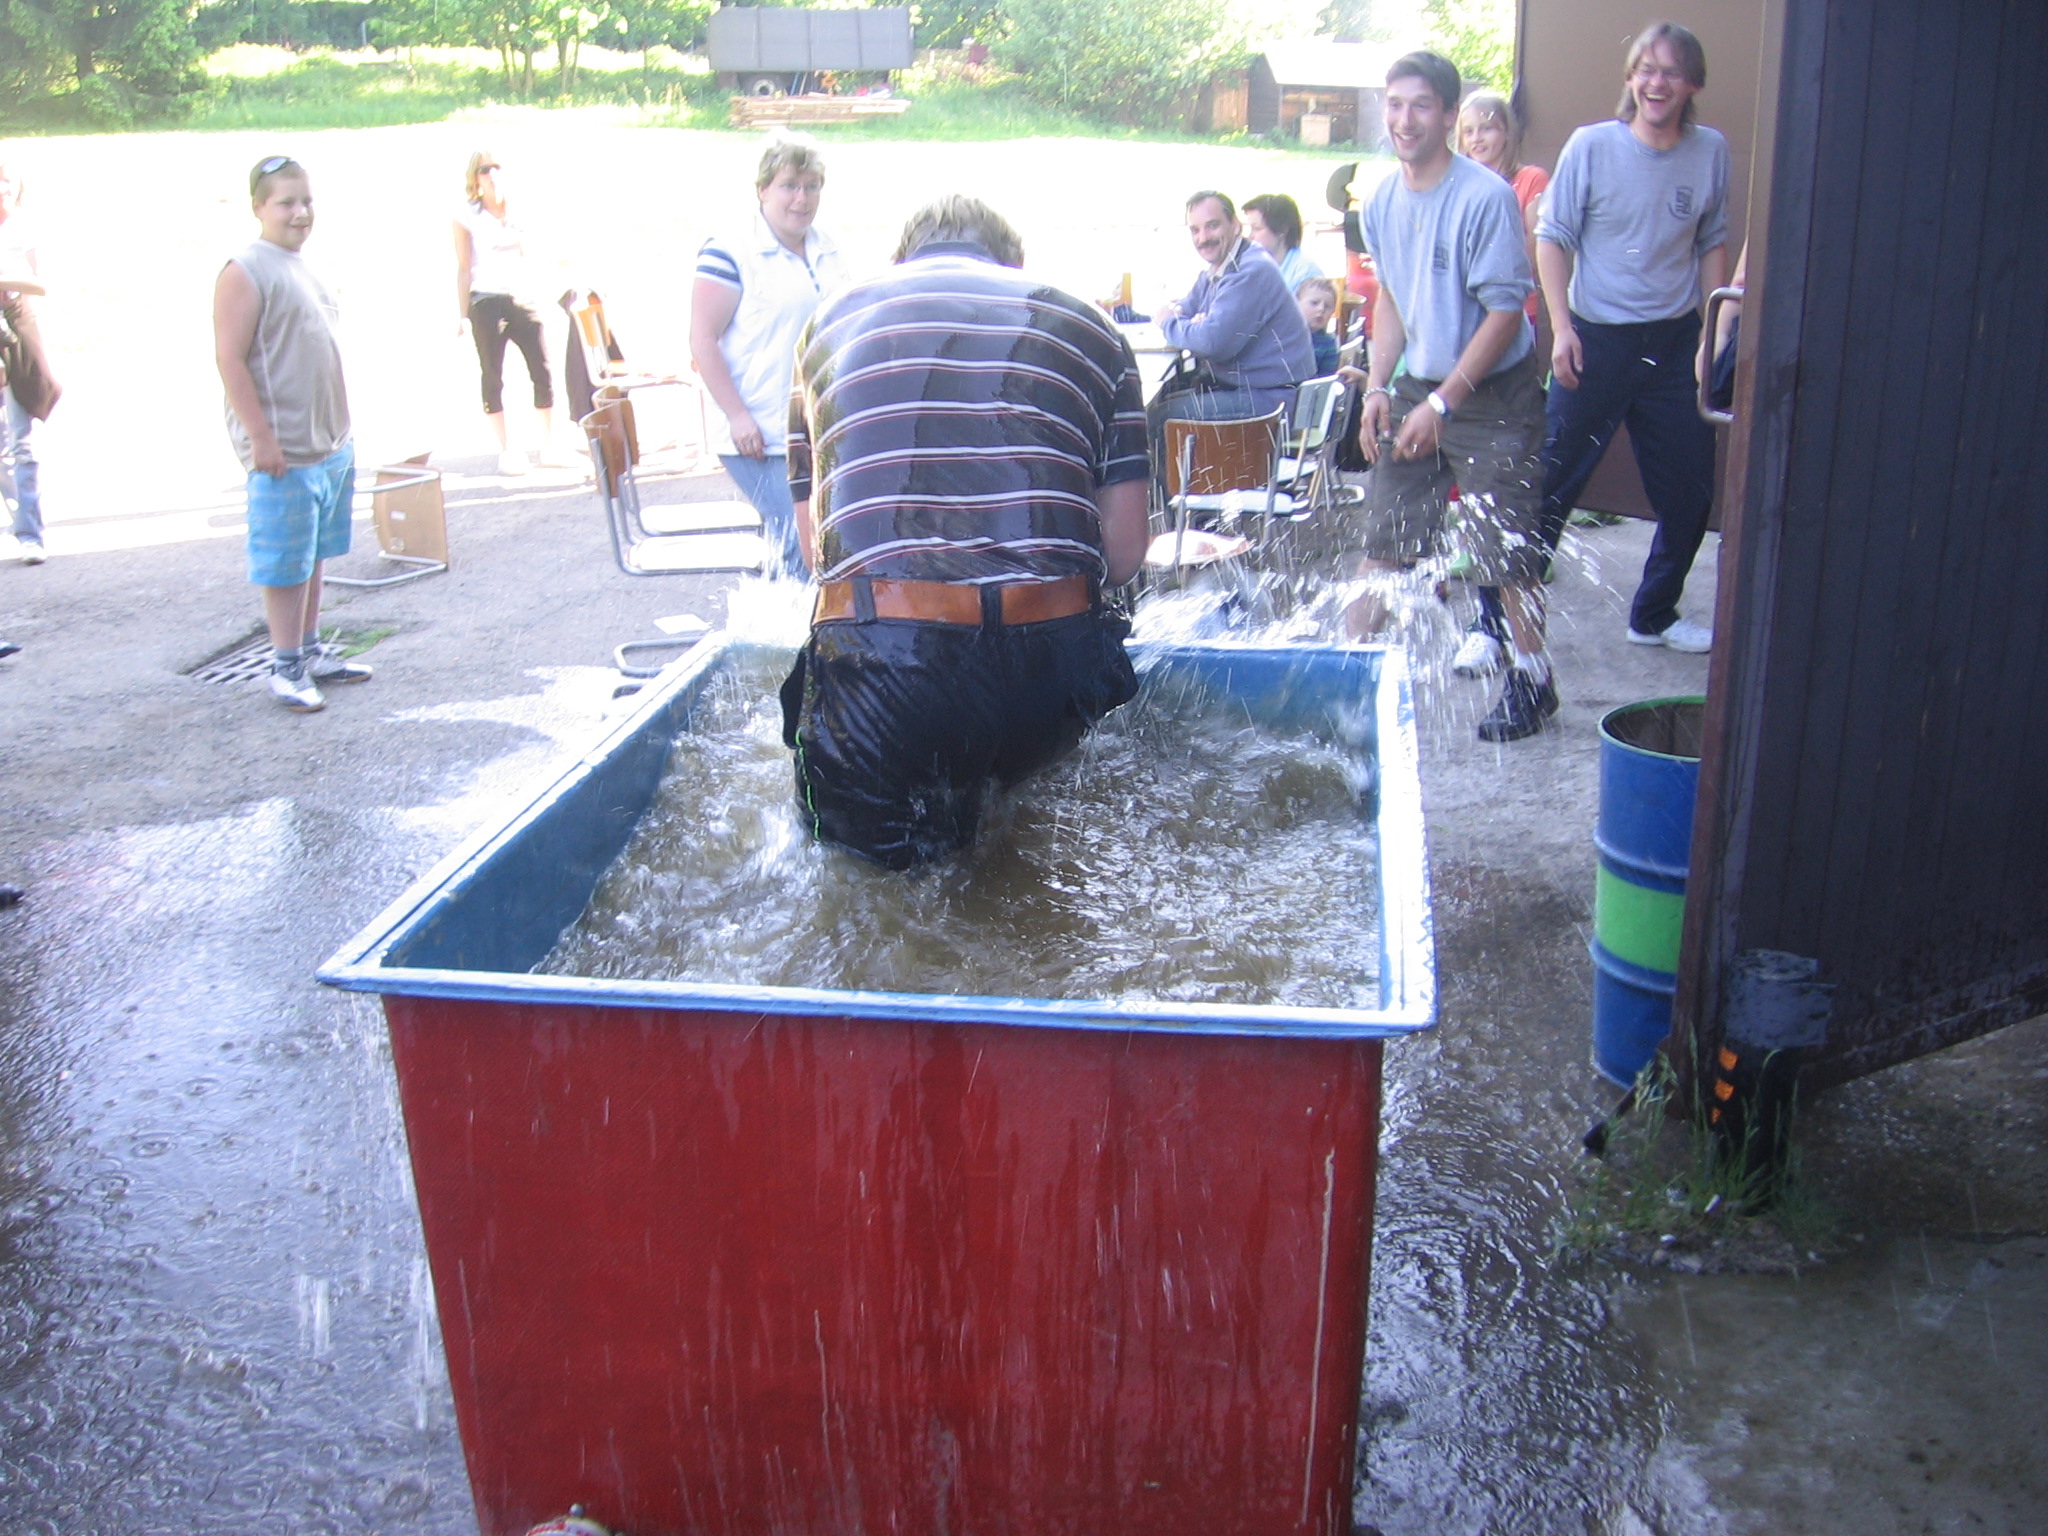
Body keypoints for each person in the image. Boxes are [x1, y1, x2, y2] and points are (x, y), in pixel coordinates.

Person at [779, 195, 1150, 870]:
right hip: (1049, 671)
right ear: (1013, 263)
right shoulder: (1092, 328)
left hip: (885, 667)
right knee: (1012, 848)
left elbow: (817, 557)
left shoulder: (827, 325)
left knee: (857, 881)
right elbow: (1124, 557)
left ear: (901, 261)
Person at [1347, 51, 1558, 742]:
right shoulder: (1378, 199)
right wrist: (1380, 386)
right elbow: (1391, 305)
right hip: (1417, 378)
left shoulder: (1485, 198)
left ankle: (1533, 682)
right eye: (1394, 103)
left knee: (1504, 553)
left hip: (1494, 392)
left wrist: (1443, 406)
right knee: (1382, 540)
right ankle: (1343, 677)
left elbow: (1507, 315)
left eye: (1420, 106)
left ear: (1446, 114)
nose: (1404, 119)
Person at [1536, 21, 1730, 653]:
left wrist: (1710, 336)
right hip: (1594, 340)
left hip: (1675, 344)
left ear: (1692, 83)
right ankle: (1499, 622)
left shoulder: (1710, 151)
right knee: (1547, 486)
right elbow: (1552, 238)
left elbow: (1711, 243)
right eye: (1646, 69)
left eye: (1672, 71)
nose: (1657, 82)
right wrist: (1562, 327)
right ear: (1630, 80)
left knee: (1692, 491)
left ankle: (1654, 615)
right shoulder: (1591, 146)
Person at [213, 154, 372, 714]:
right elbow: (230, 360)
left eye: (306, 201)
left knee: (314, 553)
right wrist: (261, 438)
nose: (300, 213)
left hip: (328, 441)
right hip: (284, 450)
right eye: (286, 203)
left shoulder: (306, 264)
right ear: (259, 207)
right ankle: (284, 668)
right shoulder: (246, 269)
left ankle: (310, 650)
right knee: (285, 560)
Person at [690, 134, 846, 580]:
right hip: (759, 434)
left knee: (823, 546)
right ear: (762, 189)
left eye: (812, 186)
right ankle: (794, 646)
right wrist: (738, 415)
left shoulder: (827, 246)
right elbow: (702, 340)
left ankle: (790, 639)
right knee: (803, 551)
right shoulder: (730, 250)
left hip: (815, 428)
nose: (802, 198)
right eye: (790, 185)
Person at [1451, 88, 1552, 678]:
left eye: (1489, 127)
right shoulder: (1454, 188)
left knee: (1505, 503)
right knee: (1477, 502)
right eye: (1469, 131)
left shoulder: (1529, 182)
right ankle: (1486, 626)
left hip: (1510, 347)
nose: (1479, 138)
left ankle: (1516, 650)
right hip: (1462, 352)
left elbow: (1531, 259)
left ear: (1509, 132)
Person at [1148, 190, 1315, 446]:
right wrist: (1184, 319)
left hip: (1273, 400)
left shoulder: (1248, 269)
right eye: (1195, 230)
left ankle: (1177, 487)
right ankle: (1179, 485)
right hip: (1250, 389)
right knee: (1164, 399)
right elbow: (1188, 306)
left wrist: (1169, 322)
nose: (1203, 238)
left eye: (1212, 226)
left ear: (1235, 225)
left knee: (1160, 417)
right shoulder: (1222, 265)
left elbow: (1211, 342)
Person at [454, 150, 570, 478]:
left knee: (543, 369)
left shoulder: (522, 210)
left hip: (524, 298)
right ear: (475, 178)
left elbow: (535, 256)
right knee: (492, 374)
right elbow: (464, 267)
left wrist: (544, 293)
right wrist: (463, 313)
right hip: (487, 301)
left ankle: (549, 445)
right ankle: (507, 449)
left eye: (496, 167)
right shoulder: (467, 215)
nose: (491, 174)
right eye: (484, 169)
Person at [0, 160, 52, 567]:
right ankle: (19, 518)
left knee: (21, 442)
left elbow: (41, 284)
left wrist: (4, 283)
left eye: (7, 183)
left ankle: (30, 534)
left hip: (17, 335)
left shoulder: (22, 229)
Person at [1241, 192, 1325, 292]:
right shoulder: (1250, 269)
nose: (1250, 236)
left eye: (1257, 228)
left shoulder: (1306, 273)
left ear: (1282, 230)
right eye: (1250, 228)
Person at [1296, 275, 1340, 374]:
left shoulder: (1328, 342)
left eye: (1327, 306)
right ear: (1296, 303)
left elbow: (1326, 378)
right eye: (1314, 303)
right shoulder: (1284, 335)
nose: (1321, 309)